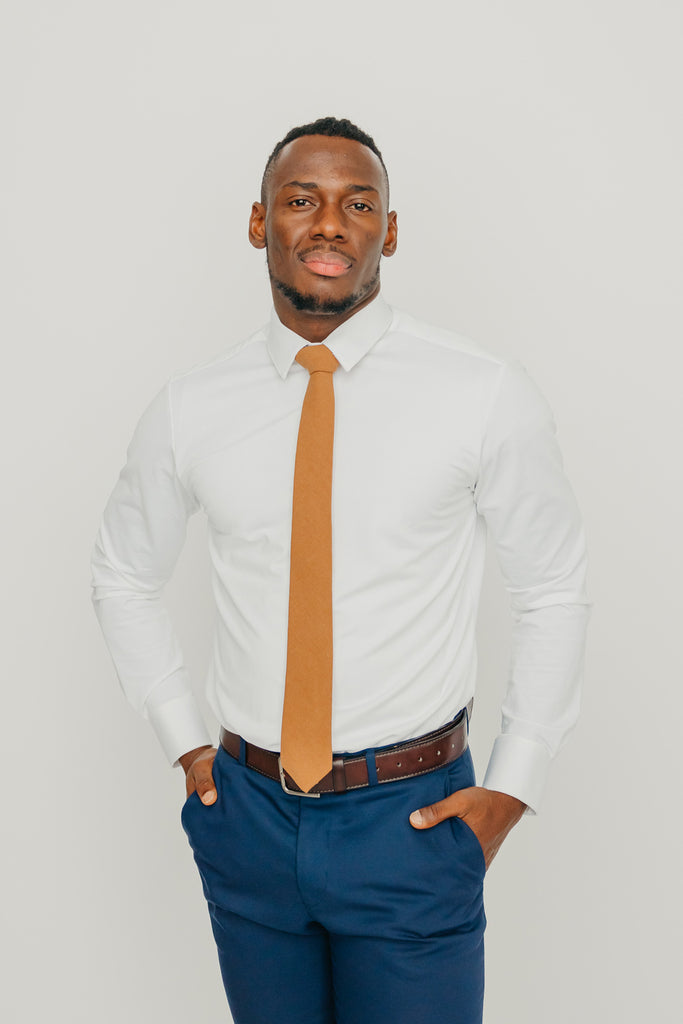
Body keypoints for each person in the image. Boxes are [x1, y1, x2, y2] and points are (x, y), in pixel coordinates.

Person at [91, 116, 589, 1024]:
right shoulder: (192, 406)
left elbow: (553, 587)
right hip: (245, 816)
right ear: (258, 224)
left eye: (358, 204)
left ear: (388, 233)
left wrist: (512, 787)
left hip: (411, 825)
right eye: (300, 201)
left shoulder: (480, 392)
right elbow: (123, 571)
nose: (329, 224)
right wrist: (185, 740)